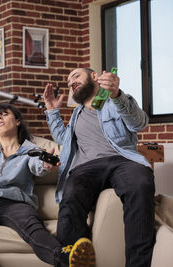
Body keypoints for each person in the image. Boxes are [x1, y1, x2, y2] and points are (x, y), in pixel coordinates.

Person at [0, 103, 95, 267]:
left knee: (35, 231)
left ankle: (66, 260)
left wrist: (46, 164)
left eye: (4, 115)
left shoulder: (30, 150)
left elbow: (38, 165)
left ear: (17, 121)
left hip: (16, 204)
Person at [43, 68, 155, 267]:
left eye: (76, 76)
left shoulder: (114, 101)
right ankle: (73, 258)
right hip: (87, 167)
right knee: (72, 193)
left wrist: (117, 95)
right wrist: (52, 111)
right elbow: (63, 138)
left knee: (140, 183)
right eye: (68, 81)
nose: (71, 83)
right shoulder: (77, 114)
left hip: (122, 160)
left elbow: (139, 123)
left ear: (94, 76)